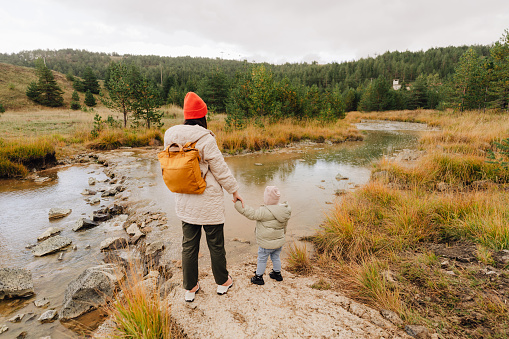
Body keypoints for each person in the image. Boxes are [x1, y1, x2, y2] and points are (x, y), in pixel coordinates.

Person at [164, 92, 244, 302]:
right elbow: (220, 169)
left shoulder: (169, 136)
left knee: (189, 245)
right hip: (208, 202)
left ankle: (190, 288)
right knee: (215, 244)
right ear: (202, 116)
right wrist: (234, 191)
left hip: (184, 199)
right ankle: (222, 283)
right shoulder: (205, 138)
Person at [234, 186, 291, 285]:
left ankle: (258, 277)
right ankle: (277, 274)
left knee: (262, 259)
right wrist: (282, 236)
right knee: (276, 257)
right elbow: (284, 226)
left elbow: (251, 214)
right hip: (278, 242)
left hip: (266, 243)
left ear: (266, 199)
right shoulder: (284, 210)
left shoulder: (264, 211)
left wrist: (238, 204)